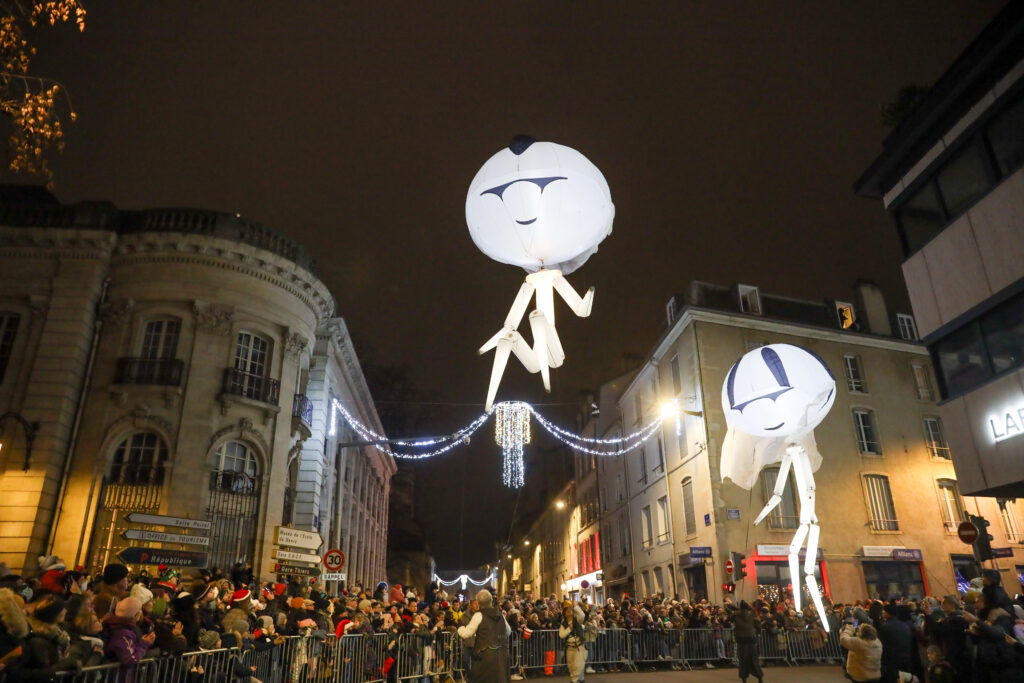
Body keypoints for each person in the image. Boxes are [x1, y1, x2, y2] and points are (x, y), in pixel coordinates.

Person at [458, 589, 510, 683]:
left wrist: (460, 628)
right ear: (491, 600)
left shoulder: (479, 615)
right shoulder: (500, 614)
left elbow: (466, 634)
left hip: (485, 656)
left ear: (478, 603)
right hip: (501, 655)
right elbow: (508, 632)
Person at [733, 600, 763, 683]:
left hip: (741, 639)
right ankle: (759, 677)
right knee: (754, 659)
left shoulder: (736, 614)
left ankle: (744, 679)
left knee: (743, 660)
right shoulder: (753, 614)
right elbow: (758, 625)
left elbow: (728, 617)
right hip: (751, 638)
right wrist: (758, 632)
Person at [558, 603, 588, 683]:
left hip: (579, 647)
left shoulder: (577, 620)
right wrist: (569, 629)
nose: (569, 611)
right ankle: (580, 679)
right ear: (564, 614)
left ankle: (574, 681)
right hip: (570, 648)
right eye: (566, 610)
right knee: (571, 666)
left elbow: (582, 615)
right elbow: (561, 635)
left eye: (570, 609)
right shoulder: (563, 624)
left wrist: (575, 606)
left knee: (577, 665)